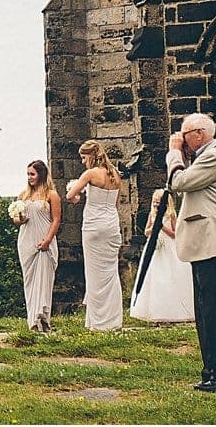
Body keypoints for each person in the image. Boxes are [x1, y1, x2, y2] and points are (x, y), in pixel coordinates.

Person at [165, 112, 216, 393]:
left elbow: (180, 182)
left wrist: (174, 154)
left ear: (199, 134)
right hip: (205, 241)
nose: (181, 139)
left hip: (211, 241)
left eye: (184, 134)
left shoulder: (214, 156)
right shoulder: (208, 155)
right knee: (204, 309)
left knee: (211, 309)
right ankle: (212, 370)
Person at [63, 140, 123, 331]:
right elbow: (116, 204)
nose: (82, 161)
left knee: (94, 273)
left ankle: (98, 322)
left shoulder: (90, 174)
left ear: (90, 155)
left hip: (94, 226)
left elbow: (70, 196)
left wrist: (78, 196)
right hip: (112, 225)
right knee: (111, 273)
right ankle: (113, 321)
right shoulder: (115, 174)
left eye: (83, 157)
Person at [131, 188, 194, 323]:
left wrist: (162, 227)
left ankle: (173, 309)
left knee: (168, 276)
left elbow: (175, 234)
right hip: (155, 247)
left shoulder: (170, 214)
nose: (156, 205)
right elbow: (147, 231)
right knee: (155, 276)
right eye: (154, 202)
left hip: (168, 247)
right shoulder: (152, 214)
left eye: (158, 202)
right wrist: (152, 229)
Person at [13, 159, 62, 331]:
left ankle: (44, 318)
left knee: (45, 281)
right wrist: (20, 219)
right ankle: (33, 321)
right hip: (27, 241)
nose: (29, 177)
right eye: (27, 174)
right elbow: (16, 220)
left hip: (44, 240)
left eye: (32, 174)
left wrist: (48, 240)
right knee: (30, 282)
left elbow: (56, 220)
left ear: (41, 174)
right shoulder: (23, 196)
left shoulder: (51, 195)